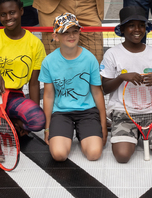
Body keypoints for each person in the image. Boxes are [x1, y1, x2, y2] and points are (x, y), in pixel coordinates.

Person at [101, 5, 152, 163]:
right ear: (123, 29)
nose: (137, 29)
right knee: (122, 156)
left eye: (141, 25)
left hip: (151, 112)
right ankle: (132, 133)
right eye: (131, 25)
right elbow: (105, 88)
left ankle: (140, 133)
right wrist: (121, 78)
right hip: (123, 112)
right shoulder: (112, 54)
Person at [0, 0, 47, 137]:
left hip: (13, 97)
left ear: (21, 11)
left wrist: (28, 123)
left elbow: (34, 84)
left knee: (38, 120)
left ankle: (9, 123)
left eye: (12, 12)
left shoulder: (35, 44)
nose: (8, 18)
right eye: (3, 14)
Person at [42, 13, 107, 162]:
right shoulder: (48, 61)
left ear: (79, 32)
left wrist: (103, 126)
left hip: (87, 112)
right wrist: (47, 128)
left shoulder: (90, 58)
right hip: (61, 113)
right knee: (59, 155)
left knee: (94, 154)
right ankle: (68, 131)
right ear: (56, 36)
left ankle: (83, 131)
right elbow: (48, 96)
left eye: (75, 31)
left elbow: (97, 93)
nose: (71, 36)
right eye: (65, 32)